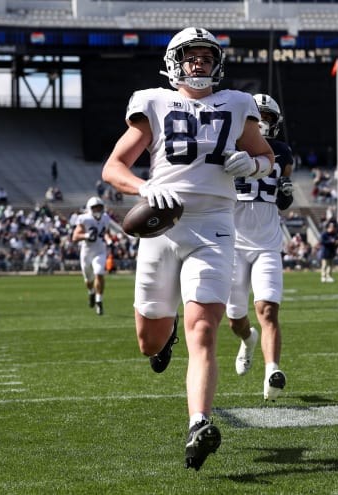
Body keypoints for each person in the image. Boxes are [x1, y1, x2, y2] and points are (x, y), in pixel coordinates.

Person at [100, 27, 274, 471]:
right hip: (162, 221)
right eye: (190, 55)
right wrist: (145, 188)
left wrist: (252, 163)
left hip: (214, 223)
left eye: (205, 56)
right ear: (175, 61)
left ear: (217, 62)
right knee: (148, 340)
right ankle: (165, 334)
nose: (198, 62)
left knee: (205, 329)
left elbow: (267, 156)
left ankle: (200, 423)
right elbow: (113, 168)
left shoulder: (238, 103)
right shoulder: (153, 101)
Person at [226, 93, 293, 402]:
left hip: (267, 243)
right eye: (258, 116)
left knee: (267, 309)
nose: (262, 122)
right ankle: (248, 341)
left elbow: (284, 200)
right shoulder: (227, 146)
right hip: (233, 245)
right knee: (235, 319)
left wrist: (286, 192)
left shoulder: (282, 154)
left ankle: (272, 370)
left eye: (267, 117)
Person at [72, 196, 112, 315]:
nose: (98, 210)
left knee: (99, 274)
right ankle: (91, 292)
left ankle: (99, 302)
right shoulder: (84, 219)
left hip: (100, 251)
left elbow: (105, 233)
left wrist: (109, 239)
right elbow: (75, 237)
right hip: (87, 253)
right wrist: (86, 236)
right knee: (89, 280)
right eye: (95, 208)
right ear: (90, 209)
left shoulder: (106, 218)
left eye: (99, 207)